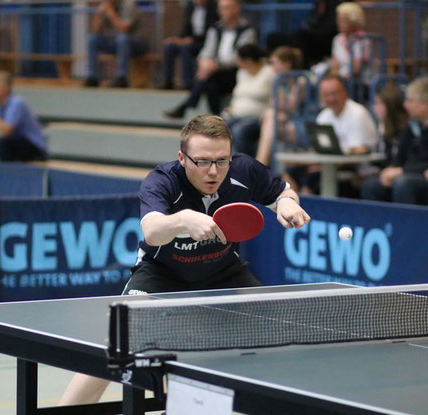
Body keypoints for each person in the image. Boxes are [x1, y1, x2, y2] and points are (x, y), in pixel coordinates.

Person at [58, 114, 311, 406]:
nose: (213, 171)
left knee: (276, 337)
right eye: (202, 161)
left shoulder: (244, 169)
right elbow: (152, 232)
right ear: (182, 157)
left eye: (222, 160)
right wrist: (183, 220)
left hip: (224, 273)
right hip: (162, 273)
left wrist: (288, 203)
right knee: (116, 342)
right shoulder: (162, 181)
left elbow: (281, 192)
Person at [361, 77, 428, 205]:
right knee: (371, 185)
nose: (405, 105)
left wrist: (401, 171)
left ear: (425, 104)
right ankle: (379, 224)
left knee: (403, 183)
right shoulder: (412, 124)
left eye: (410, 101)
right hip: (408, 174)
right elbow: (400, 157)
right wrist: (390, 170)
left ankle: (406, 224)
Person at [163, 0, 256, 119]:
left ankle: (188, 106)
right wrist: (204, 63)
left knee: (208, 78)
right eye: (221, 8)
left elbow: (241, 57)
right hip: (214, 73)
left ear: (237, 9)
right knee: (210, 83)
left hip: (234, 73)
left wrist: (216, 65)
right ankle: (216, 118)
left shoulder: (247, 30)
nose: (223, 12)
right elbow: (207, 50)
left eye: (227, 8)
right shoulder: (216, 28)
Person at [0, 71, 47, 162]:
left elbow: (6, 131)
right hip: (15, 143)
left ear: (6, 88)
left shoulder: (16, 103)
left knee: (3, 143)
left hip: (34, 146)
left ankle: (6, 173)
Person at [255, 46, 306, 167]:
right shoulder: (278, 81)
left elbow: (292, 108)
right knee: (270, 116)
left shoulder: (302, 80)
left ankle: (260, 162)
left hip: (301, 123)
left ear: (287, 64)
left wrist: (280, 106)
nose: (273, 67)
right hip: (284, 121)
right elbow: (275, 105)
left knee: (270, 116)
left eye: (275, 63)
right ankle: (261, 163)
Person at [222, 43, 275, 157]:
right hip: (236, 115)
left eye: (239, 59)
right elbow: (237, 95)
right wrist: (231, 108)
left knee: (239, 131)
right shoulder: (241, 73)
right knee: (217, 126)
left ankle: (245, 166)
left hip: (258, 117)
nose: (237, 63)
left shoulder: (269, 72)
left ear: (249, 60)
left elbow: (272, 98)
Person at [83, 0, 146, 88]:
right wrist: (99, 14)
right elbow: (96, 30)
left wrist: (111, 12)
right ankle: (92, 77)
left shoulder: (128, 4)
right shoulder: (106, 6)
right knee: (92, 39)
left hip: (137, 43)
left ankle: (122, 77)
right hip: (117, 43)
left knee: (122, 38)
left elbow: (124, 29)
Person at [161, 0, 218, 90]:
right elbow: (186, 27)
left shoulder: (213, 7)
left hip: (204, 42)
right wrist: (178, 39)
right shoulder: (190, 7)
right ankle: (167, 82)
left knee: (185, 47)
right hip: (189, 39)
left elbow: (213, 30)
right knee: (169, 47)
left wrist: (193, 40)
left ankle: (187, 82)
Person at [265, 0, 341, 68]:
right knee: (272, 37)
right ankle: (271, 65)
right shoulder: (318, 3)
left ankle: (301, 69)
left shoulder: (335, 4)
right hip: (311, 35)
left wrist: (311, 31)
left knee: (300, 36)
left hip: (325, 40)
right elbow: (313, 20)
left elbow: (330, 27)